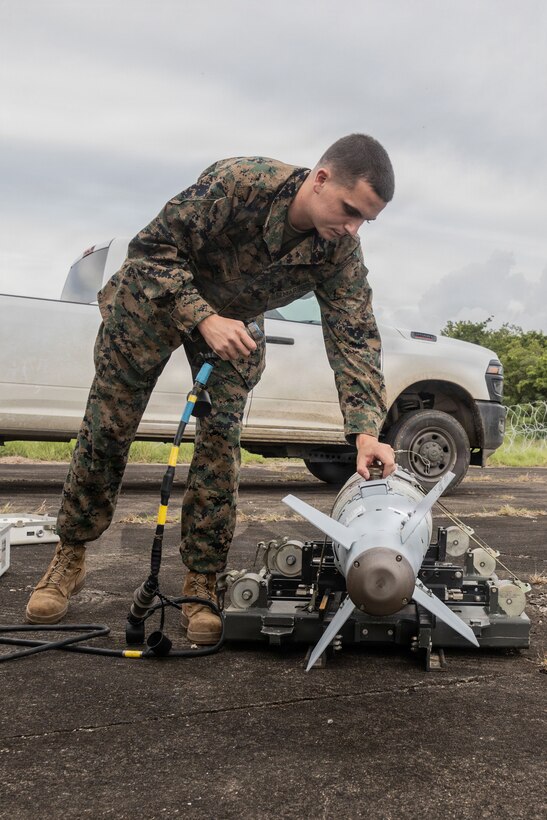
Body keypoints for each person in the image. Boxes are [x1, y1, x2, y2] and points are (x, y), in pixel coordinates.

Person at [25, 133, 397, 642]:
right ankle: (69, 556)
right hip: (153, 301)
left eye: (365, 221)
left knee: (221, 441)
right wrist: (203, 317)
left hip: (235, 326)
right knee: (107, 426)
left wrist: (366, 432)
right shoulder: (241, 184)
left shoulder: (339, 252)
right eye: (350, 210)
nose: (352, 227)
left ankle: (202, 579)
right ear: (321, 177)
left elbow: (354, 335)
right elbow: (151, 249)